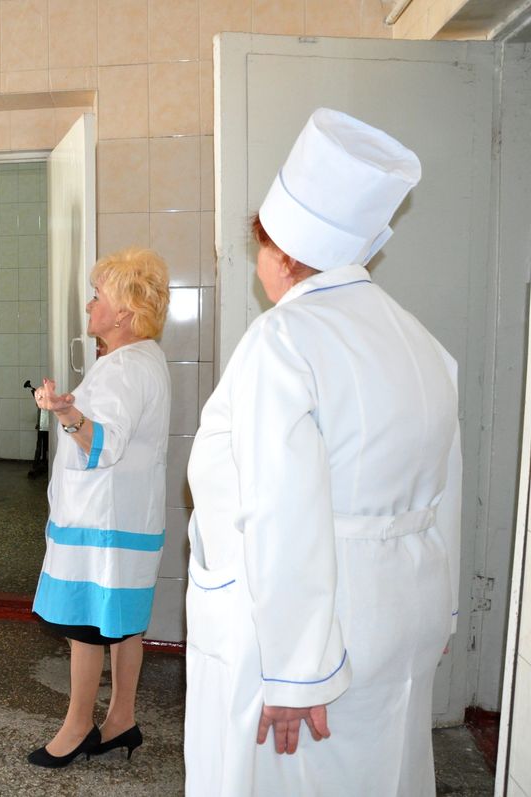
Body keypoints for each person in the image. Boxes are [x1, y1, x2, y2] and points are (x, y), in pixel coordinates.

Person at [184, 108, 461, 795]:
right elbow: (444, 491)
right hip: (402, 612)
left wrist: (297, 671)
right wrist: (445, 609)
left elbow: (283, 509)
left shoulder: (283, 340)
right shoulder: (421, 341)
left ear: (282, 252)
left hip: (312, 632)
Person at [27, 247, 171, 768]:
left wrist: (65, 415)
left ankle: (77, 727)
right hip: (127, 519)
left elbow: (104, 444)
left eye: (97, 296)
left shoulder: (123, 368)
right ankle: (121, 719)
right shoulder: (145, 358)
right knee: (123, 624)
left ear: (124, 313)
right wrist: (73, 411)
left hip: (101, 526)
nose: (89, 305)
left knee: (85, 627)